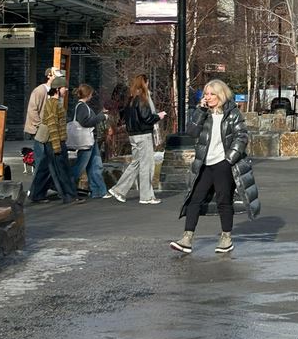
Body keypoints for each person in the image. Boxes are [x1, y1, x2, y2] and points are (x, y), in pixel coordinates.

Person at [171, 79, 260, 254]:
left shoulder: (232, 113)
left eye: (212, 94)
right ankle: (187, 238)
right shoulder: (204, 113)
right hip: (205, 163)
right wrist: (200, 110)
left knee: (223, 200)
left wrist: (229, 159)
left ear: (220, 95)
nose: (208, 97)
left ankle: (226, 238)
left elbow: (241, 137)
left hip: (223, 163)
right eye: (206, 94)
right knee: (194, 199)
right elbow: (191, 132)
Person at [106, 74, 164, 204]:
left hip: (133, 135)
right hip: (143, 135)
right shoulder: (142, 99)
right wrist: (158, 116)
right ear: (145, 83)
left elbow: (125, 117)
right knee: (147, 165)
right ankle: (146, 196)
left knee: (136, 163)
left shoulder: (130, 99)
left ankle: (119, 189)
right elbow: (146, 117)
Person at [38, 76, 76, 204]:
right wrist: (57, 147)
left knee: (45, 169)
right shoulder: (53, 104)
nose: (66, 90)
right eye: (65, 88)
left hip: (54, 142)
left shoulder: (53, 103)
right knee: (62, 170)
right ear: (58, 89)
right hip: (55, 141)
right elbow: (52, 126)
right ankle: (69, 196)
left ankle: (36, 194)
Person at [66, 84, 108, 199]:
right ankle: (67, 188)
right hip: (86, 141)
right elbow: (85, 122)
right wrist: (102, 117)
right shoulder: (82, 107)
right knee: (81, 166)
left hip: (89, 141)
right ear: (88, 94)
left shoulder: (81, 106)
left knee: (95, 165)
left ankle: (99, 191)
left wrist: (100, 115)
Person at [26, 67, 59, 203]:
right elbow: (32, 110)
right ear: (49, 76)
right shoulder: (39, 91)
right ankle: (35, 192)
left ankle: (40, 191)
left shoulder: (52, 92)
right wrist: (39, 126)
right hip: (41, 131)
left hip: (48, 131)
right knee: (41, 162)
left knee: (47, 162)